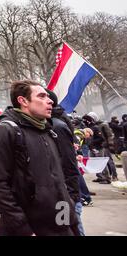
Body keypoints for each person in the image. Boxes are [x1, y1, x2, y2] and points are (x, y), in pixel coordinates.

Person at [0, 80, 78, 236]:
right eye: (41, 96)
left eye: (48, 97)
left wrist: (70, 224)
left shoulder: (48, 131)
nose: (50, 101)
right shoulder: (5, 131)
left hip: (59, 225)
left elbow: (58, 184)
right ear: (23, 101)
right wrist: (23, 229)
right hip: (26, 229)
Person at [46, 89, 83, 235]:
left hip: (65, 193)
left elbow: (68, 163)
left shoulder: (57, 127)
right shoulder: (48, 125)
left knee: (69, 230)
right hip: (56, 192)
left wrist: (72, 196)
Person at [83, 112, 118, 183]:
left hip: (101, 147)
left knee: (104, 162)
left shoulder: (100, 126)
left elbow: (106, 136)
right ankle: (100, 176)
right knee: (96, 163)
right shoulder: (90, 127)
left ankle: (108, 177)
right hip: (94, 147)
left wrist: (110, 145)